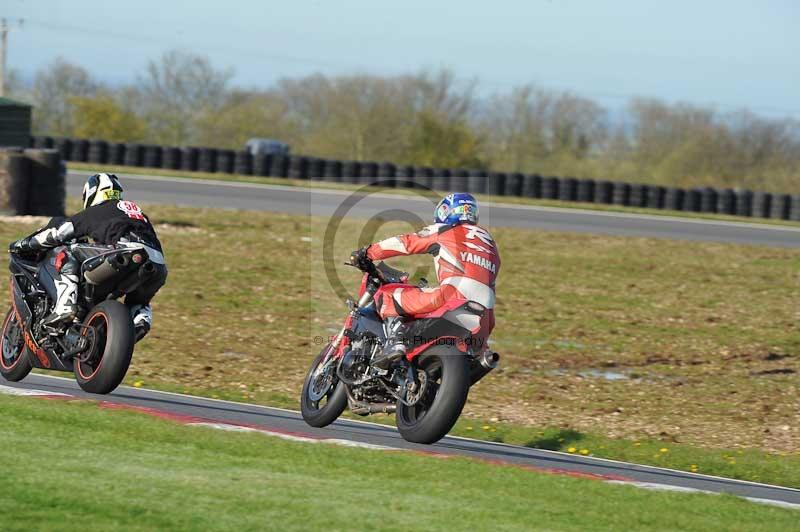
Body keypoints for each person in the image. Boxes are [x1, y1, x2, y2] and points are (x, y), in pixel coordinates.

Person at [8, 173, 167, 341]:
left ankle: (65, 307)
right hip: (157, 266)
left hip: (124, 252)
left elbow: (57, 233)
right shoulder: (137, 213)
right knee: (138, 302)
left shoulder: (99, 210)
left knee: (69, 252)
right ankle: (140, 321)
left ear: (92, 193)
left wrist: (26, 243)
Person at [350, 192, 500, 369]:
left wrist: (368, 253)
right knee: (475, 359)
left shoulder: (446, 230)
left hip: (451, 296)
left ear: (447, 211)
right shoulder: (489, 244)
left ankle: (395, 343)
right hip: (486, 314)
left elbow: (405, 243)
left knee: (387, 294)